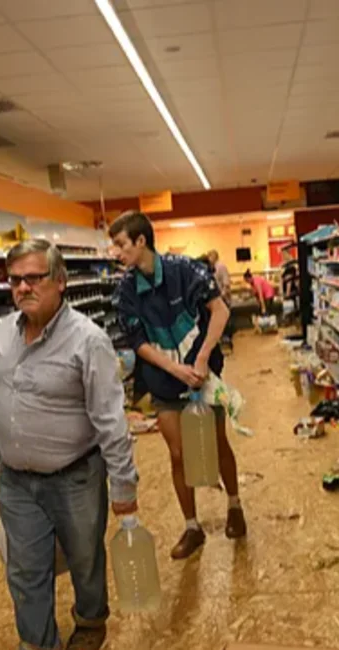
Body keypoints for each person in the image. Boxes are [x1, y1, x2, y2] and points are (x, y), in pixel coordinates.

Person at [0, 238, 138, 650]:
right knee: (24, 571)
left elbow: (110, 418)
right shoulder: (3, 334)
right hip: (16, 482)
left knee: (85, 558)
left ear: (60, 281)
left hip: (75, 476)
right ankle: (39, 643)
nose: (23, 287)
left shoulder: (88, 341)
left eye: (34, 278)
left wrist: (124, 485)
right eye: (16, 280)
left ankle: (90, 621)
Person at [109, 211, 247, 560]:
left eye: (121, 244)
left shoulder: (186, 270)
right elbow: (138, 342)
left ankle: (234, 506)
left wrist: (199, 361)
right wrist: (174, 369)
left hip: (203, 373)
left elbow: (220, 313)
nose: (116, 252)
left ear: (141, 241)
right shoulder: (126, 289)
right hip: (164, 379)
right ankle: (191, 527)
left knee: (216, 443)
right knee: (178, 454)